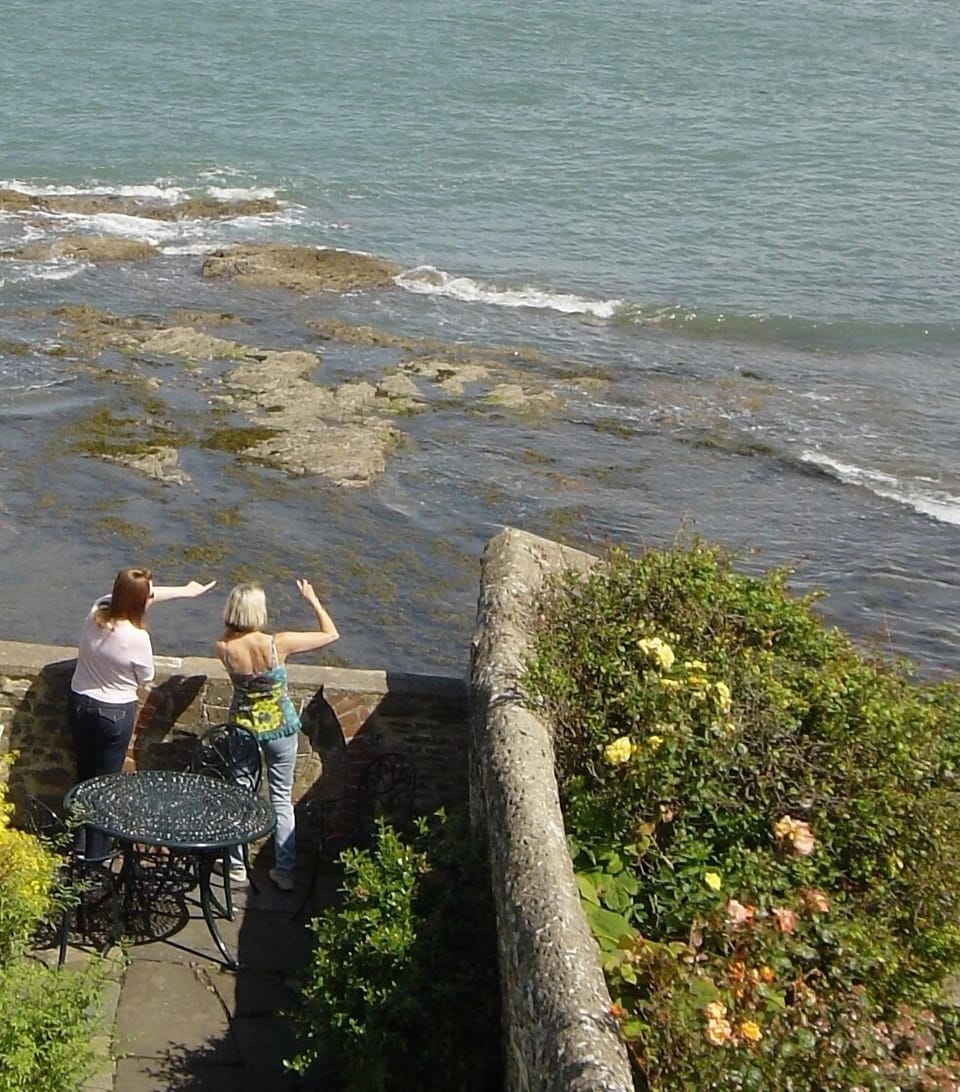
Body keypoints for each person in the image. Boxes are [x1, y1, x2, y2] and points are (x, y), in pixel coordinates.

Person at [68, 567, 216, 859]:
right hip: (113, 713)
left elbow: (135, 596)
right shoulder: (137, 638)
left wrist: (185, 590)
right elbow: (145, 678)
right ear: (140, 602)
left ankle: (77, 845)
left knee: (83, 778)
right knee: (105, 788)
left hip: (79, 703)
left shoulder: (97, 610)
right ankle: (96, 858)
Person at [214, 578, 339, 892]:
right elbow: (330, 634)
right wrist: (312, 598)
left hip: (243, 730)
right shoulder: (277, 644)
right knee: (281, 800)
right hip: (280, 728)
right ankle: (284, 871)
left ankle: (236, 866)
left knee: (241, 796)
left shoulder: (224, 648)